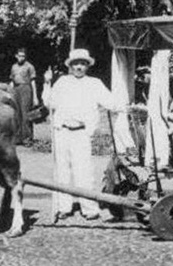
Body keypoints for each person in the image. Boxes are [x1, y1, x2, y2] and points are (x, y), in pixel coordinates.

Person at [42, 48, 117, 222]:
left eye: (82, 64)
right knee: (62, 171)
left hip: (81, 133)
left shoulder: (94, 83)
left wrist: (124, 104)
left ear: (87, 66)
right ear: (70, 65)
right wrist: (47, 83)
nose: (79, 67)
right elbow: (49, 103)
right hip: (62, 131)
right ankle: (63, 207)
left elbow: (111, 102)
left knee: (84, 171)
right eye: (76, 63)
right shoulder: (62, 82)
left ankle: (89, 208)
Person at [9, 47, 39, 144]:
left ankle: (27, 138)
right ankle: (18, 138)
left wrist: (35, 97)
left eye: (23, 56)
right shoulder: (14, 67)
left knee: (26, 114)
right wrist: (9, 93)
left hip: (26, 88)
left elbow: (33, 82)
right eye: (19, 56)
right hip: (16, 89)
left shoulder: (29, 66)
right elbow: (12, 81)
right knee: (16, 114)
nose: (21, 58)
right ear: (16, 56)